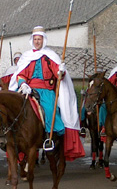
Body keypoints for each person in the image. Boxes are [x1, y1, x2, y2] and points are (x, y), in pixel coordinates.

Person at [9, 26, 85, 160]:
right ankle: (11, 136)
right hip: (28, 88)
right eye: (35, 39)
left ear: (43, 40)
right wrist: (23, 84)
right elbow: (20, 74)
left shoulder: (50, 56)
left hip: (45, 91)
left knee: (50, 109)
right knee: (13, 109)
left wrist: (61, 71)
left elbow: (58, 73)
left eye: (39, 39)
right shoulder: (27, 57)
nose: (37, 41)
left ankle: (49, 138)